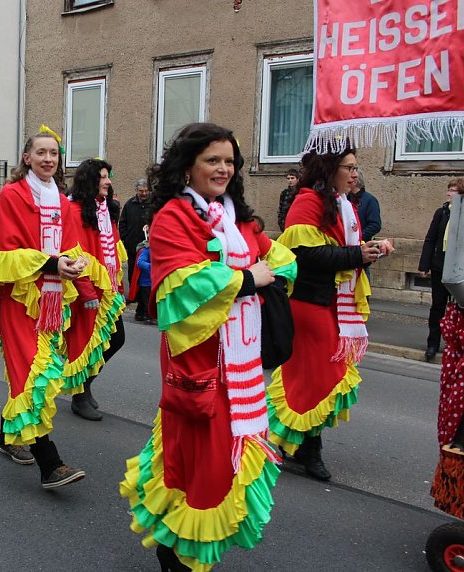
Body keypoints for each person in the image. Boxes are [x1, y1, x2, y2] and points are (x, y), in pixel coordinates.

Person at [119, 123, 297, 572]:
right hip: (202, 365)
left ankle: (181, 550)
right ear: (188, 166)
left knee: (216, 466)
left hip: (242, 363)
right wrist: (244, 278)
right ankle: (176, 554)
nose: (223, 168)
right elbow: (181, 287)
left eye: (229, 161)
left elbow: (276, 257)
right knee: (198, 465)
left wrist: (261, 270)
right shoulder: (173, 217)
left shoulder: (236, 216)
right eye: (212, 160)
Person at [266, 146, 392, 482]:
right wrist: (356, 255)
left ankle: (300, 445)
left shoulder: (343, 204)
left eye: (355, 168)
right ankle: (303, 446)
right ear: (329, 169)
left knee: (312, 377)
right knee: (324, 377)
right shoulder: (308, 201)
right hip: (308, 303)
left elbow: (343, 250)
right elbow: (304, 255)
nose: (354, 174)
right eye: (348, 167)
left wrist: (371, 249)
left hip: (330, 303)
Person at [0, 126, 88, 489]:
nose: (48, 159)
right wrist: (52, 263)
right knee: (34, 377)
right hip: (22, 302)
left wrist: (73, 264)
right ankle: (50, 464)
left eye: (53, 153)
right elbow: (0, 255)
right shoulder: (11, 195)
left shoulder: (65, 202)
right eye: (41, 153)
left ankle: (9, 437)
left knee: (30, 374)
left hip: (55, 302)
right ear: (27, 158)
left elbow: (72, 246)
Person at [64, 158, 127, 421]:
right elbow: (72, 252)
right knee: (87, 344)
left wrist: (119, 286)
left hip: (107, 290)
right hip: (88, 292)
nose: (108, 181)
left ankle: (86, 386)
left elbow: (112, 250)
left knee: (114, 339)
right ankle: (79, 396)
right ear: (90, 180)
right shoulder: (75, 211)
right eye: (103, 176)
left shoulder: (103, 209)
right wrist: (87, 292)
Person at [419, 179, 464, 361]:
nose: (448, 194)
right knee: (438, 306)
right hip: (440, 266)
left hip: (459, 269)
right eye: (448, 190)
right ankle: (433, 343)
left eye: (453, 191)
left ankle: (455, 343)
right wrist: (425, 264)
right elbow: (431, 238)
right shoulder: (442, 212)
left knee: (459, 308)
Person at [118, 177, 151, 287]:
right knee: (132, 271)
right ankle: (133, 295)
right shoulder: (129, 204)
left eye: (146, 190)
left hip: (149, 246)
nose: (144, 193)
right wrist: (126, 239)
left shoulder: (154, 204)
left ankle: (145, 295)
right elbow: (122, 223)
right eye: (141, 191)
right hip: (132, 245)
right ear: (136, 190)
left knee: (147, 271)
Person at [126, 224, 152, 322]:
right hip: (146, 281)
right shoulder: (146, 250)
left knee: (144, 299)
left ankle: (141, 314)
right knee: (146, 300)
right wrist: (151, 267)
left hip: (149, 280)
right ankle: (146, 315)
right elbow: (140, 262)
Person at [353, 169, 382, 242]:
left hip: (362, 245)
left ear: (355, 181)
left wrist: (359, 237)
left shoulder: (370, 200)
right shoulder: (344, 199)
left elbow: (375, 225)